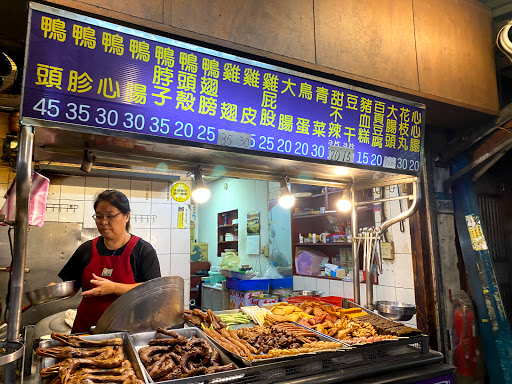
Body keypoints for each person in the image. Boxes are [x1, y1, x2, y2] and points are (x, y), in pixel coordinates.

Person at [59, 189, 161, 333]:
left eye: (110, 216)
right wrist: (55, 290)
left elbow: (153, 290)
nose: (104, 222)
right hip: (87, 329)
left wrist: (113, 288)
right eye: (99, 217)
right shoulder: (87, 249)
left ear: (126, 216)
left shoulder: (143, 250)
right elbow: (72, 285)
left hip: (128, 329)